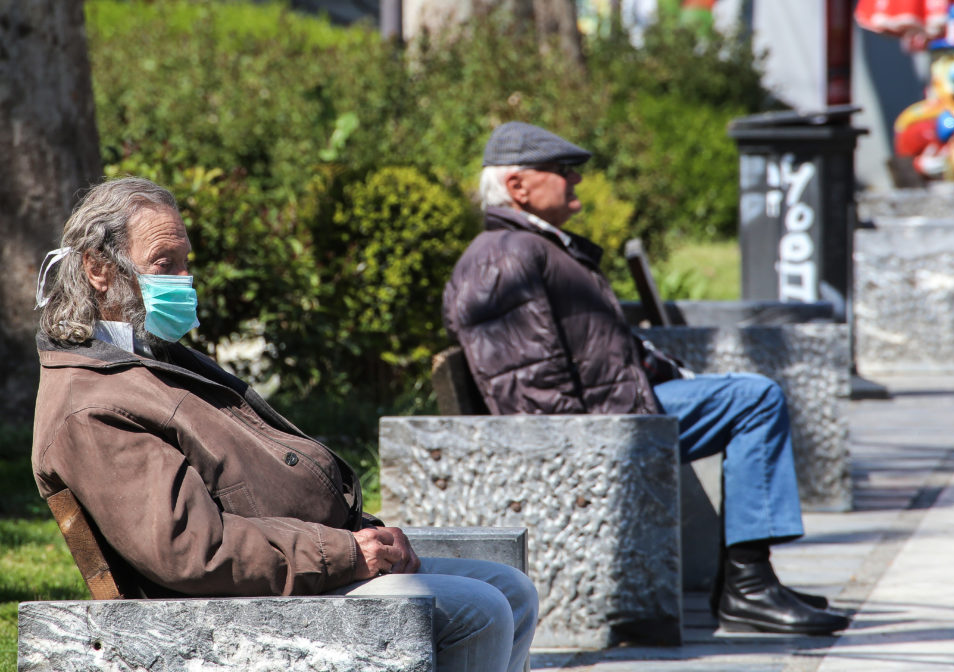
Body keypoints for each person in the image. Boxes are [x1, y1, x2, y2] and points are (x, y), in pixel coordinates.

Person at [31, 176, 537, 672]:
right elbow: (191, 551)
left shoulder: (145, 360)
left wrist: (363, 537)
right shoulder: (91, 403)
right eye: (165, 264)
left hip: (295, 570)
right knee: (481, 611)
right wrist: (343, 552)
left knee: (511, 590)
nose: (183, 280)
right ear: (98, 268)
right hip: (234, 609)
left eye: (186, 264)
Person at [442, 121, 850, 636]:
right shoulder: (505, 257)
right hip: (606, 427)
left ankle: (750, 580)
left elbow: (600, 348)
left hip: (625, 404)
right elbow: (529, 387)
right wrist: (590, 451)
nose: (576, 182)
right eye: (562, 171)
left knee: (748, 394)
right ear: (518, 186)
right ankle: (748, 587)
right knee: (755, 400)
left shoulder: (538, 248)